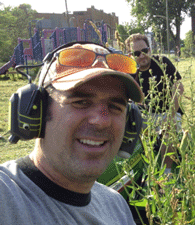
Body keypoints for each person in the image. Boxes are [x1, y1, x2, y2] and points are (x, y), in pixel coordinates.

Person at [0, 42, 144, 224]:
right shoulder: (6, 196)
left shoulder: (116, 206)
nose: (101, 121)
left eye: (115, 106)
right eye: (81, 102)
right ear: (37, 112)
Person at [124, 33, 184, 172]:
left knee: (167, 134)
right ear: (130, 55)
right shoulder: (130, 72)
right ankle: (139, 170)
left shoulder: (162, 62)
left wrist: (169, 116)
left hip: (169, 112)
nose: (142, 56)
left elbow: (179, 88)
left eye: (144, 51)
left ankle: (167, 175)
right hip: (145, 115)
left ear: (150, 49)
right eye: (136, 53)